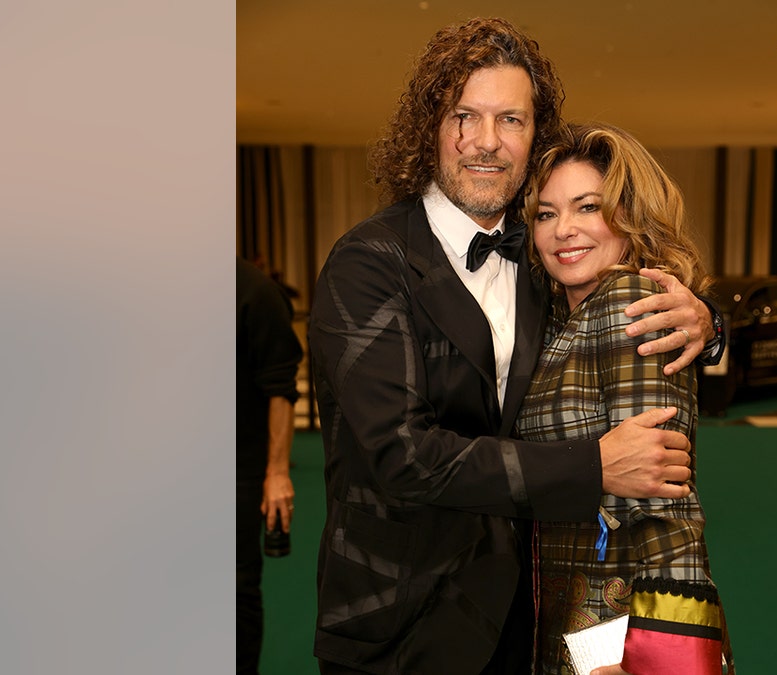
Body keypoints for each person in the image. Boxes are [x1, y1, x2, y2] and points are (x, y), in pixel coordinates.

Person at [307, 17, 724, 675]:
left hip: (525, 622)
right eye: (463, 116)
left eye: (512, 119)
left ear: (536, 136)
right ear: (430, 128)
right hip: (399, 625)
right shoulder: (368, 263)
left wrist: (707, 323)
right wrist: (590, 467)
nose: (486, 142)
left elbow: (650, 485)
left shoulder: (544, 262)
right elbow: (403, 455)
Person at [518, 122, 731, 675]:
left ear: (630, 216)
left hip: (608, 630)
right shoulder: (564, 315)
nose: (563, 230)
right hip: (567, 612)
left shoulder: (630, 301)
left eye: (587, 208)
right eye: (546, 213)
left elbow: (660, 500)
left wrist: (650, 653)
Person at [236, 256, 303, 675]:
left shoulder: (252, 290)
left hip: (237, 469)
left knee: (234, 589)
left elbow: (281, 387)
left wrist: (277, 472)